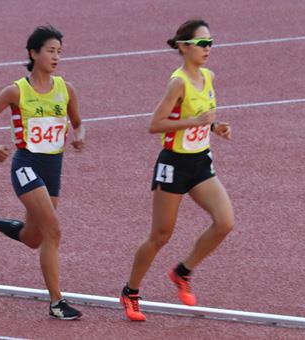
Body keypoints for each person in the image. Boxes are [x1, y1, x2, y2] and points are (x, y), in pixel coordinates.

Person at [120, 19, 235, 321]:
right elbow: (155, 125)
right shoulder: (178, 82)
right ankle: (130, 291)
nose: (208, 48)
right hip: (173, 164)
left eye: (211, 43)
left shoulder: (208, 76)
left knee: (225, 222)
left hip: (200, 161)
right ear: (184, 47)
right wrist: (196, 123)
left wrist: (214, 126)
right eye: (202, 44)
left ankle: (182, 272)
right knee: (160, 236)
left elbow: (200, 115)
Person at [0, 25, 85, 320]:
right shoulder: (16, 90)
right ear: (33, 53)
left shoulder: (66, 88)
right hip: (26, 165)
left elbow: (78, 122)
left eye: (59, 51)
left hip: (54, 169)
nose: (56, 56)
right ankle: (56, 302)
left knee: (33, 237)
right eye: (51, 51)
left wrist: (80, 136)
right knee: (54, 230)